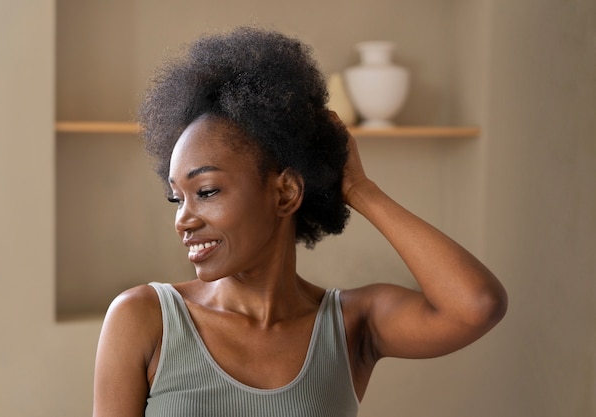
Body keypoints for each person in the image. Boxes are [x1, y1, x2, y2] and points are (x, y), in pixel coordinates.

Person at [92, 27, 507, 417]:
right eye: (176, 197)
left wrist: (360, 188)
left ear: (285, 192)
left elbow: (477, 305)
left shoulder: (350, 325)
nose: (183, 218)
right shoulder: (144, 318)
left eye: (206, 191)